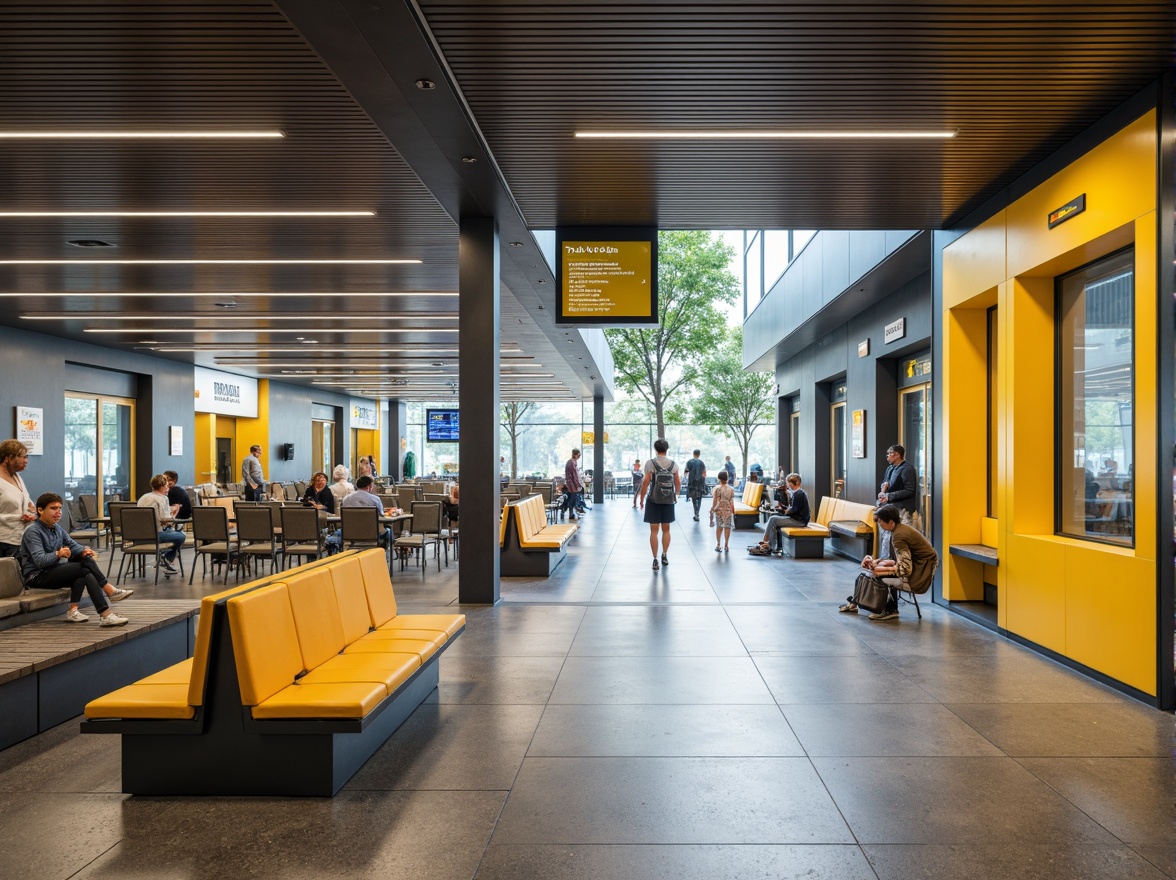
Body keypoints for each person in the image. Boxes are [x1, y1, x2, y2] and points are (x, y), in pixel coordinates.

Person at [20, 493, 131, 625]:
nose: (58, 512)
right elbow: (40, 561)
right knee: (84, 569)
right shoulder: (33, 531)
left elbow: (73, 545)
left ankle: (81, 611)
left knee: (85, 564)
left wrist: (84, 550)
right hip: (36, 576)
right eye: (53, 508)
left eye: (60, 508)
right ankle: (107, 599)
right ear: (40, 510)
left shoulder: (56, 528)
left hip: (52, 570)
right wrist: (58, 554)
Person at [840, 504, 939, 621]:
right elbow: (895, 559)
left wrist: (880, 570)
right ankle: (856, 602)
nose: (879, 524)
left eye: (880, 521)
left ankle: (891, 609)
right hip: (918, 567)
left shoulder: (898, 535)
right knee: (870, 573)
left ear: (890, 522)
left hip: (920, 573)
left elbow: (905, 568)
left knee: (877, 576)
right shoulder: (898, 530)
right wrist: (878, 563)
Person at [638, 438, 680, 570]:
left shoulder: (650, 463)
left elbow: (646, 482)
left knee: (654, 531)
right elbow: (678, 483)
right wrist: (676, 495)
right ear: (667, 449)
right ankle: (665, 555)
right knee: (666, 529)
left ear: (655, 449)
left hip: (653, 500)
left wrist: (642, 498)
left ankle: (655, 559)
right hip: (668, 501)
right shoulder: (673, 464)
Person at [750, 473, 810, 556]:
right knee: (774, 520)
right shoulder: (797, 493)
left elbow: (794, 509)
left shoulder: (799, 494)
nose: (788, 486)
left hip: (799, 521)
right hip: (797, 518)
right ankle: (770, 545)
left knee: (773, 519)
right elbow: (793, 508)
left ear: (796, 483)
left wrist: (785, 511)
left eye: (790, 484)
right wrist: (784, 509)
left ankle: (767, 544)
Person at [137, 474, 186, 576]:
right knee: (181, 536)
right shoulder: (163, 499)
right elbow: (165, 520)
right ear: (162, 486)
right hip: (156, 535)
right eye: (167, 486)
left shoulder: (143, 497)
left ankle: (164, 560)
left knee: (172, 532)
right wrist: (173, 513)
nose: (168, 488)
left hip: (138, 536)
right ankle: (166, 559)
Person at [0, 439, 35, 558]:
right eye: (22, 457)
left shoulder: (17, 476)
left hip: (19, 538)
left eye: (27, 457)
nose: (26, 461)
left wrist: (30, 513)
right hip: (3, 540)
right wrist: (18, 518)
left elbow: (28, 503)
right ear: (8, 458)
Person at [341, 475, 393, 546]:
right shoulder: (375, 499)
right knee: (389, 530)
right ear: (369, 486)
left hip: (350, 533)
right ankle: (385, 553)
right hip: (371, 533)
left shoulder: (346, 499)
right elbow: (382, 516)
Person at [877, 444, 918, 515]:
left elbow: (909, 490)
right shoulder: (890, 468)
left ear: (897, 455)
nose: (888, 455)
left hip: (903, 509)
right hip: (888, 506)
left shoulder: (907, 469)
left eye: (890, 453)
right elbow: (885, 483)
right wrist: (883, 492)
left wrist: (888, 496)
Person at [710, 470, 735, 553]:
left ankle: (718, 544)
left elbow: (715, 500)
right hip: (728, 509)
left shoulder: (717, 488)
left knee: (719, 527)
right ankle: (726, 545)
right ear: (727, 478)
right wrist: (732, 509)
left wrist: (712, 509)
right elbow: (731, 500)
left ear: (719, 478)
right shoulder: (731, 489)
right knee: (727, 527)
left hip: (719, 509)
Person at [683, 449, 707, 521]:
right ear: (699, 454)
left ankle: (696, 513)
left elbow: (686, 472)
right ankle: (697, 513)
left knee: (694, 498)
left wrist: (685, 477)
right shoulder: (701, 463)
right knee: (699, 498)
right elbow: (704, 473)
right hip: (700, 483)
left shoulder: (689, 462)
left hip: (692, 482)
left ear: (693, 454)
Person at [560, 448, 584, 522]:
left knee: (569, 498)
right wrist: (578, 485)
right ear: (577, 455)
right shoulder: (573, 463)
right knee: (572, 499)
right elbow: (574, 476)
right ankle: (570, 513)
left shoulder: (569, 462)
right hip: (572, 484)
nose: (579, 456)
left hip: (569, 483)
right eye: (579, 455)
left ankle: (565, 511)